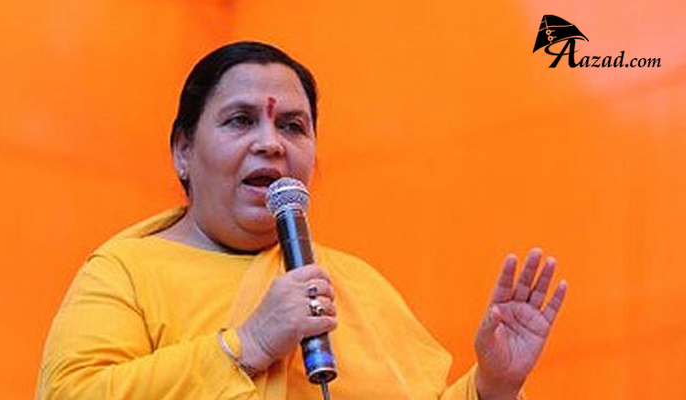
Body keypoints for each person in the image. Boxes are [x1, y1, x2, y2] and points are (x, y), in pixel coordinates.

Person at [35, 41, 567, 400]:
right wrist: (249, 345)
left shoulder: (356, 284)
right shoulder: (126, 271)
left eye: (292, 125)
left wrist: (493, 386)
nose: (270, 143)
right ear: (182, 150)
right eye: (241, 120)